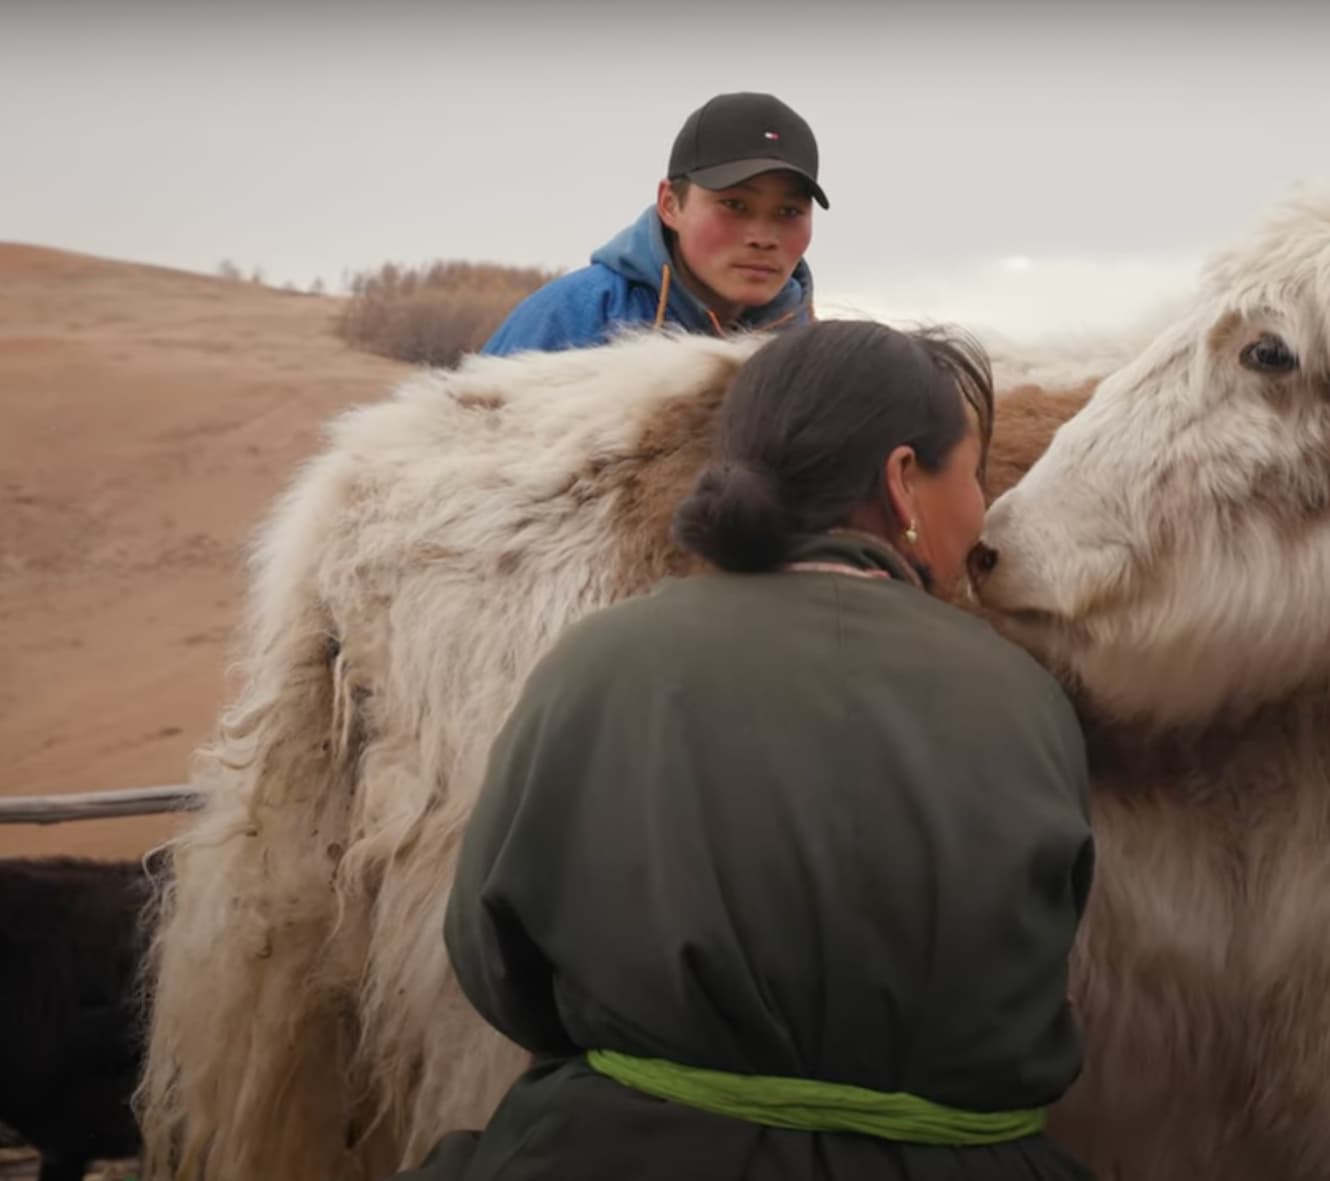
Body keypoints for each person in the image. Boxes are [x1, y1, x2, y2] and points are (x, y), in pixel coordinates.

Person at [396, 319, 1099, 1181]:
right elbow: (1040, 969)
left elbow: (494, 960)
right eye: (973, 473)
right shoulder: (1023, 698)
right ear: (904, 480)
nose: (982, 509)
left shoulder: (599, 660)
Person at [480, 91, 827, 357]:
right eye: (735, 205)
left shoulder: (811, 352)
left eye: (788, 212)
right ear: (670, 204)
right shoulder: (571, 321)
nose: (763, 238)